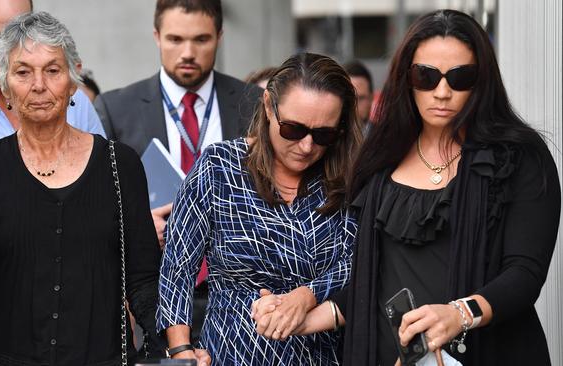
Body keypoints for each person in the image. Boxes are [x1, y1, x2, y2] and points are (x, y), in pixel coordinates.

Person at [253, 9, 561, 366]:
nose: (442, 92)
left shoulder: (519, 156)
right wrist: (302, 319)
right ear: (406, 78)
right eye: (426, 76)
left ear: (482, 81)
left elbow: (524, 275)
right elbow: (371, 284)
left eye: (460, 78)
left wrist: (459, 314)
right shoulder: (382, 157)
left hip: (491, 353)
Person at [0, 12, 164, 366]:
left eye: (52, 70)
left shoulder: (119, 166)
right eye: (22, 72)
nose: (38, 85)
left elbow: (144, 281)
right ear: (5, 85)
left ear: (72, 82)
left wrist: (166, 349)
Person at [157, 52, 363, 365]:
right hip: (229, 353)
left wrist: (306, 295)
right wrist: (182, 351)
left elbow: (359, 262)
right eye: (293, 129)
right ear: (268, 106)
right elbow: (177, 268)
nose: (307, 146)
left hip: (321, 354)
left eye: (324, 134)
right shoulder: (219, 167)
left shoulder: (348, 178)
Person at [94, 0, 261, 342]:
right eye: (175, 39)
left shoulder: (256, 103)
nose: (187, 52)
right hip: (153, 296)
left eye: (201, 40)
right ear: (156, 36)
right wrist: (136, 230)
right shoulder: (115, 109)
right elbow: (93, 205)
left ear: (220, 36)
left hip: (243, 303)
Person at [343, 60, 374, 134]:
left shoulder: (388, 138)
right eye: (349, 98)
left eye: (361, 98)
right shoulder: (324, 139)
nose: (354, 106)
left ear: (371, 98)